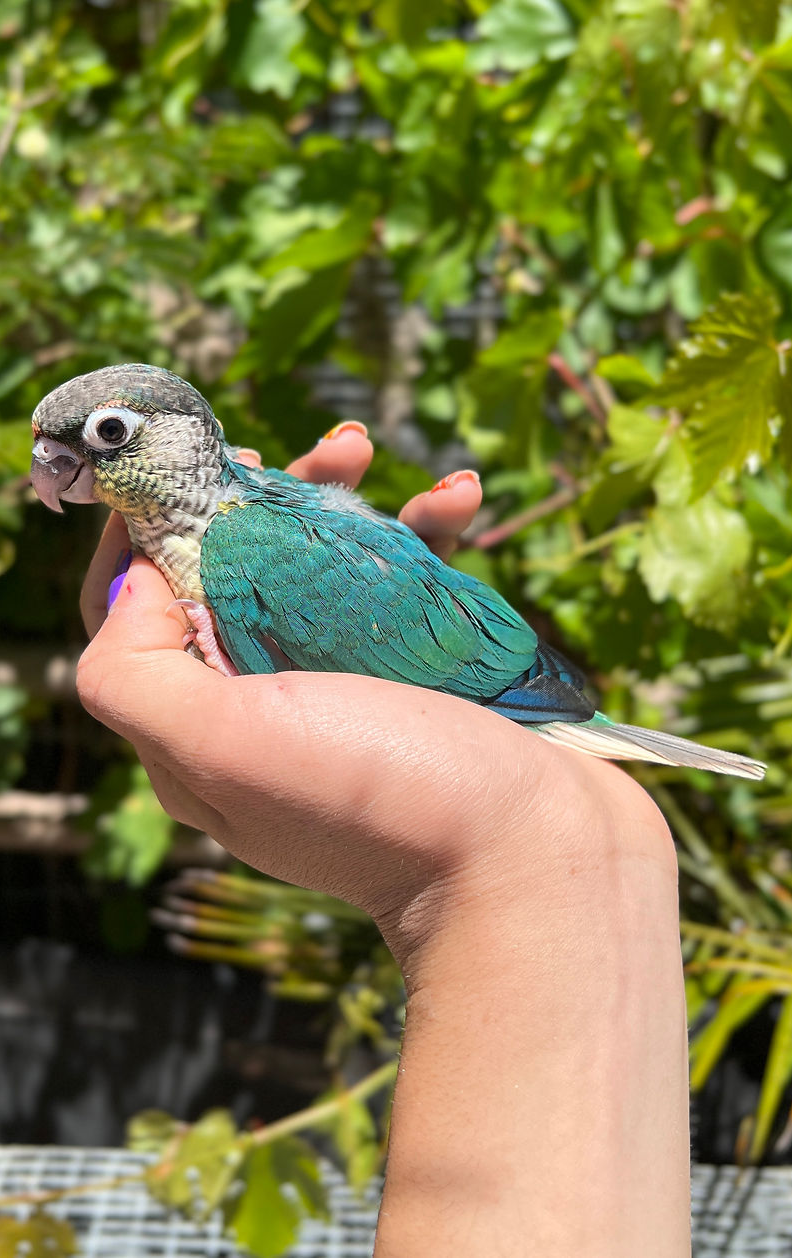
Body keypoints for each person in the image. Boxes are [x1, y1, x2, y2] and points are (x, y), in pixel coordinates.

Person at [76, 423, 690, 1257]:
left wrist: (494, 849)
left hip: (488, 676)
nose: (60, 463)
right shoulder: (232, 540)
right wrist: (536, 848)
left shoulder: (239, 545)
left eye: (110, 433)